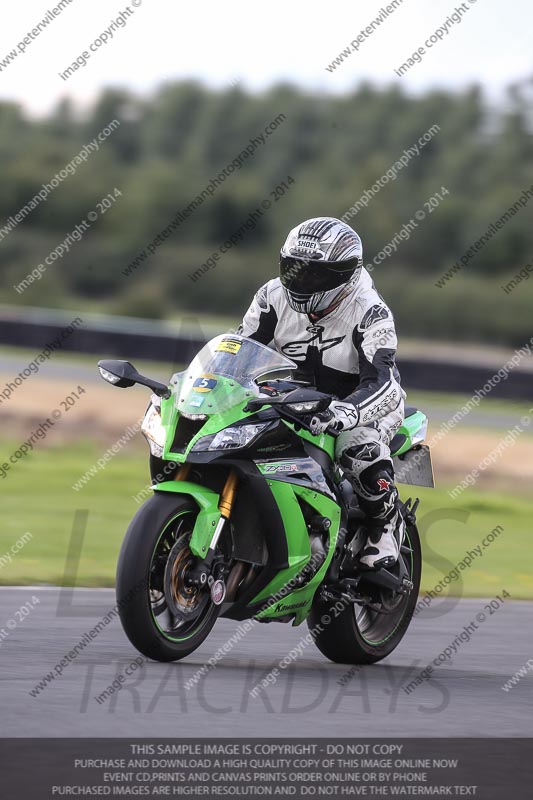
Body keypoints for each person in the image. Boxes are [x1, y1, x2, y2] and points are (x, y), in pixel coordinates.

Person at [238, 217, 406, 569]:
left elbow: (384, 383)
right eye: (294, 269)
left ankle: (385, 526)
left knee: (356, 446)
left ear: (344, 275)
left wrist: (347, 412)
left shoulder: (370, 311)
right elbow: (241, 350)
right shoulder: (271, 296)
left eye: (316, 275)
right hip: (291, 397)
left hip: (362, 403)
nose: (301, 281)